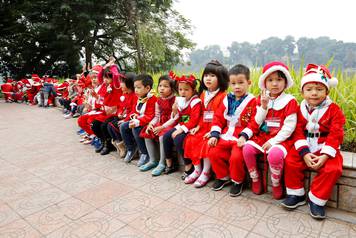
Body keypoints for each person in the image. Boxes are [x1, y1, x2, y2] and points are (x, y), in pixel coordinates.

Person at [281, 64, 345, 219]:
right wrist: (304, 153)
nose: (314, 93)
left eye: (319, 89)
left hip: (325, 147)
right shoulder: (299, 109)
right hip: (305, 145)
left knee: (333, 169)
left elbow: (336, 134)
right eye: (309, 89)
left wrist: (325, 155)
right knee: (290, 161)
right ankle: (296, 194)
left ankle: (316, 199)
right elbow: (297, 131)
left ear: (327, 91)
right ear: (302, 92)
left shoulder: (334, 110)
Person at [242, 61, 298, 200]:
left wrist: (274, 141)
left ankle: (276, 183)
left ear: (285, 82)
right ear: (264, 83)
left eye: (279, 79)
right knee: (247, 149)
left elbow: (289, 126)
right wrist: (264, 106)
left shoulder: (290, 101)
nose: (274, 84)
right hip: (262, 137)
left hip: (281, 139)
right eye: (270, 80)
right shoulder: (261, 99)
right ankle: (255, 179)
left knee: (275, 155)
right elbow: (257, 121)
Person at [208, 64, 257, 196]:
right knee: (213, 151)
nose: (237, 87)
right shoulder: (226, 99)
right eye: (233, 83)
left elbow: (254, 122)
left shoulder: (253, 101)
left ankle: (237, 181)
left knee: (236, 157)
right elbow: (218, 118)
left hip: (240, 138)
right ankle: (223, 177)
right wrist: (214, 134)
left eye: (241, 83)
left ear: (249, 83)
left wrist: (244, 136)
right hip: (225, 135)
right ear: (229, 83)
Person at [183, 60, 228, 187]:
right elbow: (201, 113)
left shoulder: (223, 96)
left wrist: (213, 131)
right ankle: (197, 170)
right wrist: (197, 126)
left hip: (215, 128)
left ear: (220, 79)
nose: (208, 78)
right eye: (206, 75)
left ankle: (206, 172)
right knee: (191, 139)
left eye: (213, 76)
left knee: (205, 142)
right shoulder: (203, 94)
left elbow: (221, 117)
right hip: (203, 125)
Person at [162, 72, 202, 177]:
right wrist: (174, 110)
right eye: (180, 89)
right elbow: (177, 117)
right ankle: (170, 163)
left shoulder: (196, 101)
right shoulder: (180, 100)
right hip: (181, 125)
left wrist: (181, 129)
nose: (183, 92)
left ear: (193, 90)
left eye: (186, 89)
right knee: (166, 136)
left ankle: (188, 165)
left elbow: (194, 120)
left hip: (191, 127)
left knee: (178, 139)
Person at [139, 75, 176, 175]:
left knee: (162, 136)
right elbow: (157, 116)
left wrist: (161, 127)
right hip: (161, 122)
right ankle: (153, 160)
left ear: (172, 89)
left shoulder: (175, 100)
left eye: (166, 86)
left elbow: (174, 118)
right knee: (147, 131)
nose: (162, 88)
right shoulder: (158, 100)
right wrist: (151, 124)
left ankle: (162, 163)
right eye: (160, 85)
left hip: (171, 123)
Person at [120, 74, 157, 166]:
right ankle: (131, 148)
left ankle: (145, 153)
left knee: (136, 129)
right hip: (139, 120)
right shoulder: (139, 97)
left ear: (147, 88)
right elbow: (135, 110)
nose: (135, 90)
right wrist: (130, 118)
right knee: (123, 126)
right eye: (135, 87)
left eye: (138, 87)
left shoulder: (152, 99)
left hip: (148, 122)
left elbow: (150, 115)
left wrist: (137, 121)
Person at [107, 72, 137, 158]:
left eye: (122, 82)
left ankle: (130, 147)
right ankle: (120, 145)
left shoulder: (134, 96)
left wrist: (125, 119)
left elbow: (133, 110)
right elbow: (121, 106)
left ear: (129, 83)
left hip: (129, 118)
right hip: (123, 116)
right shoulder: (125, 94)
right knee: (109, 125)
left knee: (115, 125)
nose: (120, 84)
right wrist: (120, 112)